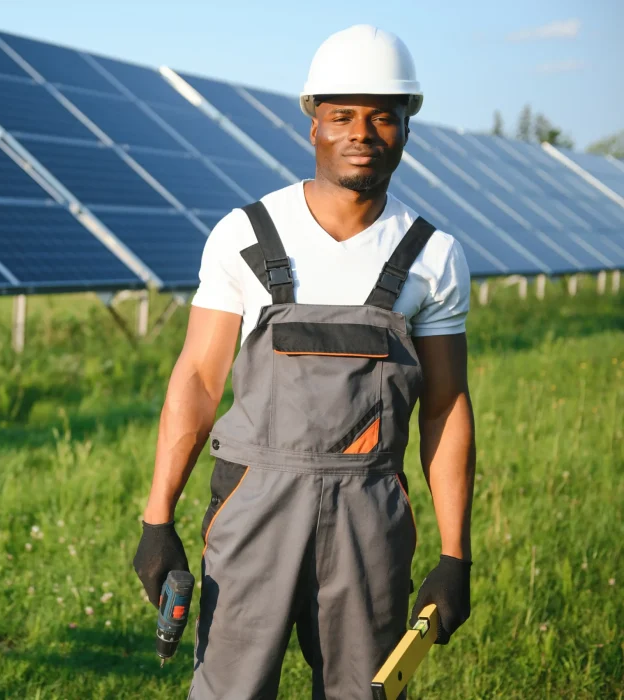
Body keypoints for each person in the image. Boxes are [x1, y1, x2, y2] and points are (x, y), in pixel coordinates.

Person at [131, 24, 476, 700]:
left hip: (370, 509)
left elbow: (445, 405)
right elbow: (198, 382)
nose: (362, 132)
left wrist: (455, 556)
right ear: (311, 124)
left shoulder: (433, 256)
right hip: (251, 500)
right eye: (341, 115)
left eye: (383, 116)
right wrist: (156, 519)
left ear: (407, 128)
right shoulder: (246, 235)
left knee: (363, 692)